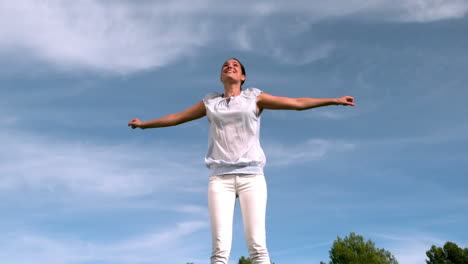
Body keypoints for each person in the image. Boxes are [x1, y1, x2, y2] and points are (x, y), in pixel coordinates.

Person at [128, 58, 355, 264]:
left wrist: (333, 101)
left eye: (235, 65)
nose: (230, 66)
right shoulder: (210, 102)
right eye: (225, 65)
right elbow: (177, 118)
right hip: (219, 178)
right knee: (219, 250)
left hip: (252, 177)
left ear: (243, 77)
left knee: (257, 246)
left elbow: (296, 102)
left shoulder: (254, 98)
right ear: (220, 77)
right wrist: (145, 124)